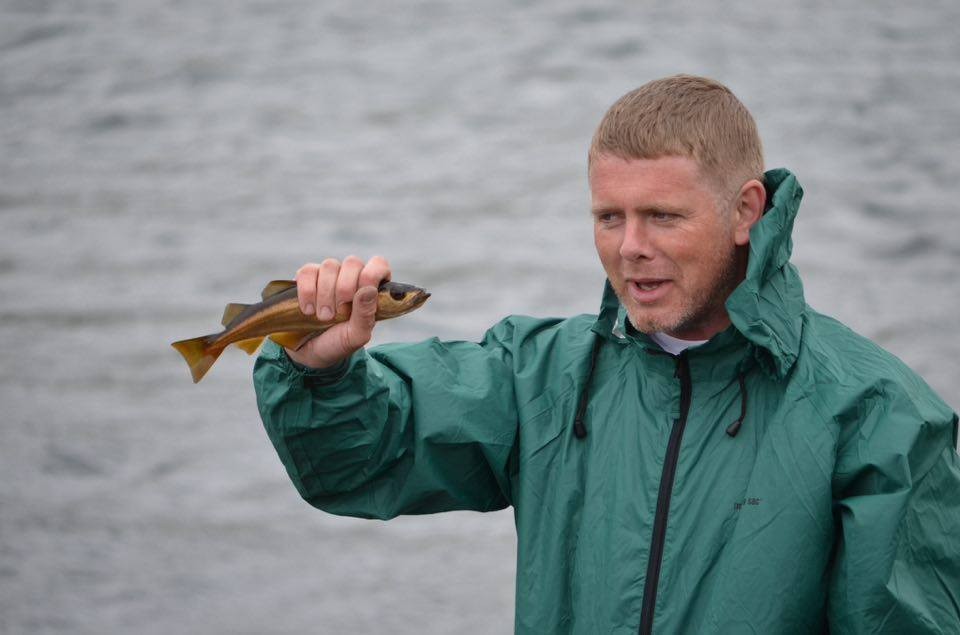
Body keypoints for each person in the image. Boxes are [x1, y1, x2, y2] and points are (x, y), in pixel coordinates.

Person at [254, 75, 960, 634]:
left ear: (746, 211)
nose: (630, 248)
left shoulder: (879, 416)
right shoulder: (542, 376)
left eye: (662, 216)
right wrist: (321, 367)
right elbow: (362, 455)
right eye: (608, 217)